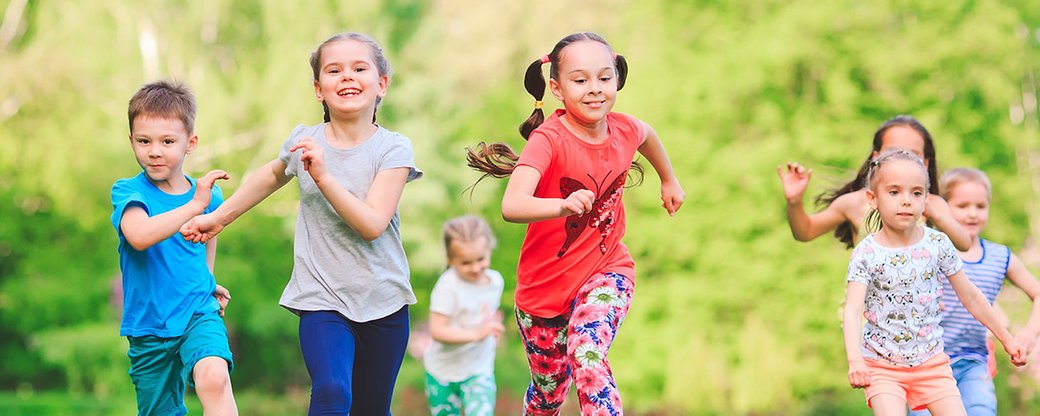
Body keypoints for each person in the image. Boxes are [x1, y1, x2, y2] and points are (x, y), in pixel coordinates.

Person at [180, 32, 422, 415]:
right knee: (331, 391)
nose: (347, 77)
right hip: (321, 298)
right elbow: (271, 175)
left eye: (360, 68)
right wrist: (218, 217)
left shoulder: (393, 148)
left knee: (371, 408)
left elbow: (373, 223)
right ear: (318, 89)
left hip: (384, 301)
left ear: (382, 85)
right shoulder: (304, 141)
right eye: (334, 70)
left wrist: (324, 177)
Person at [466, 32, 685, 415]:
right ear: (556, 87)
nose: (595, 89)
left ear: (617, 77)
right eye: (580, 80)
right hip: (543, 294)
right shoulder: (548, 140)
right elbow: (512, 205)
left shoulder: (625, 128)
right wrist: (561, 206)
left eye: (605, 77)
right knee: (549, 395)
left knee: (587, 352)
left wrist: (669, 178)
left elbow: (647, 135)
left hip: (607, 269)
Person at [842, 150, 1026, 415]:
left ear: (926, 200)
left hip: (932, 365)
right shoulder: (866, 253)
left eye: (916, 193)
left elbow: (971, 296)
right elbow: (852, 309)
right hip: (882, 367)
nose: (906, 201)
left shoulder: (937, 244)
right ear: (873, 199)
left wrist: (1007, 339)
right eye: (894, 192)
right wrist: (854, 360)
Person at [111, 80, 237, 416]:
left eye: (167, 141)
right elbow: (139, 235)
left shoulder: (208, 196)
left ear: (190, 143)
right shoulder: (129, 193)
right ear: (132, 141)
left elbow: (207, 239)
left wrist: (207, 282)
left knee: (214, 376)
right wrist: (196, 204)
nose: (154, 151)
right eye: (144, 141)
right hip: (148, 326)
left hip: (197, 312)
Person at [909, 168, 1040, 416]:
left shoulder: (1000, 257)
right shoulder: (929, 248)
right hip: (926, 363)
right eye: (962, 205)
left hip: (973, 361)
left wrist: (1031, 332)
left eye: (980, 206)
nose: (972, 213)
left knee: (982, 409)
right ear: (944, 207)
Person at [777, 115, 971, 250]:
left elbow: (964, 243)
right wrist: (794, 201)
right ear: (876, 158)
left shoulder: (933, 204)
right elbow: (806, 231)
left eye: (912, 154)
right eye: (893, 151)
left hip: (916, 309)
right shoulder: (855, 203)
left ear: (926, 163)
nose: (903, 160)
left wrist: (936, 215)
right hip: (865, 309)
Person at [423, 215, 505, 416]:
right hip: (442, 372)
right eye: (466, 263)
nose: (476, 268)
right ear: (450, 260)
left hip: (479, 369)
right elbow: (437, 330)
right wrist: (478, 334)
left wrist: (492, 326)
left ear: (489, 250)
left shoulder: (495, 282)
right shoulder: (448, 287)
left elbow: (483, 313)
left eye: (480, 259)